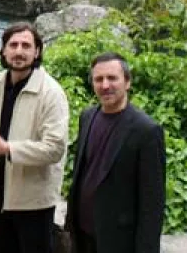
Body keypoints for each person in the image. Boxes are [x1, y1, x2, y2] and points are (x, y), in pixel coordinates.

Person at [0, 23, 69, 253]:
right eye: (13, 45)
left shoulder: (51, 93)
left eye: (26, 45)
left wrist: (8, 149)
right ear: (4, 50)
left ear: (37, 51)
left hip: (33, 202)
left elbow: (54, 149)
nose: (19, 51)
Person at [66, 52, 165, 253]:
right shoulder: (88, 116)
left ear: (127, 82)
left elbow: (152, 202)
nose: (105, 85)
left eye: (112, 78)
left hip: (117, 240)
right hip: (83, 235)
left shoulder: (146, 130)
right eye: (98, 79)